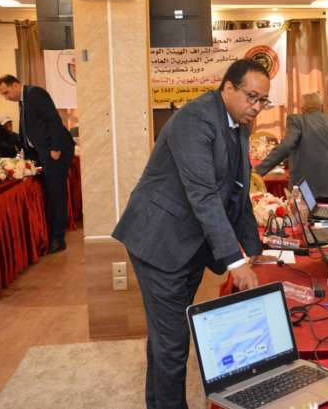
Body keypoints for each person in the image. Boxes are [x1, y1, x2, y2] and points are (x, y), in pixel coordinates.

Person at [112, 59, 269, 409]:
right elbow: (204, 195)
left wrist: (253, 248)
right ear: (228, 87)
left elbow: (238, 191)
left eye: (263, 100)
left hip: (190, 244)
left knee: (166, 336)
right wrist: (235, 262)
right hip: (159, 240)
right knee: (173, 342)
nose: (257, 107)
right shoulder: (195, 119)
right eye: (252, 97)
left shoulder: (239, 123)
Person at [0, 75, 74, 253]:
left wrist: (55, 147)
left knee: (56, 194)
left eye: (6, 93)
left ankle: (58, 239)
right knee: (50, 193)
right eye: (3, 95)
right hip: (42, 153)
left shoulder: (35, 93)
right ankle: (53, 234)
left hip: (55, 151)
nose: (6, 97)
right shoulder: (23, 100)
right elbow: (29, 130)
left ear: (16, 85)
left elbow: (53, 120)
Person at [255, 92, 328, 208]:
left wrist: (257, 171)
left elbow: (286, 146)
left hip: (307, 191)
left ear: (302, 109)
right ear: (322, 107)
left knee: (308, 219)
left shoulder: (297, 120)